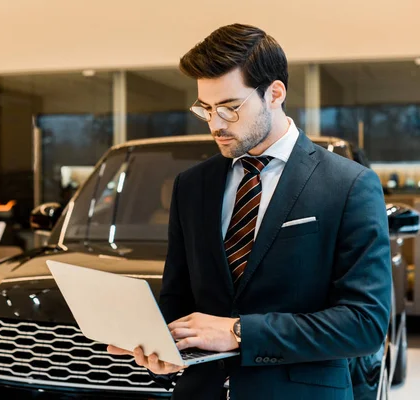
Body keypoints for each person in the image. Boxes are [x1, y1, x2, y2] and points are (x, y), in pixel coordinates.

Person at [108, 23, 391, 399]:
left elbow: (364, 324)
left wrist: (238, 332)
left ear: (274, 93)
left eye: (229, 107)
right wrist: (165, 347)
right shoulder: (192, 185)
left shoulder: (349, 185)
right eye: (205, 109)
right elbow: (178, 297)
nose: (215, 124)